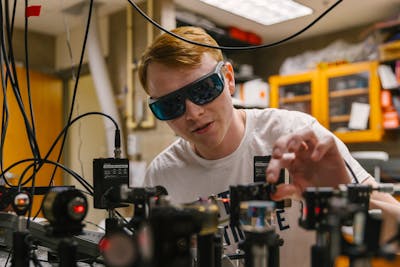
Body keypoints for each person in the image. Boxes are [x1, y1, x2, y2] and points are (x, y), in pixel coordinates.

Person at [138, 26, 400, 266]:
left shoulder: (296, 135)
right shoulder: (163, 175)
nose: (192, 113)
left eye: (203, 89)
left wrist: (343, 198)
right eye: (169, 105)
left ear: (229, 79)